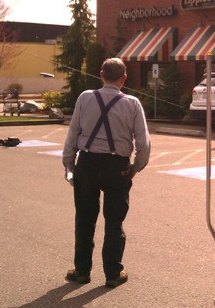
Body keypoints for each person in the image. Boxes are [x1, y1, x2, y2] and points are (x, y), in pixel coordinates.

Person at [62, 58, 151, 288]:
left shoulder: (85, 97)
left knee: (84, 219)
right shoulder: (132, 104)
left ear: (101, 74)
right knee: (114, 221)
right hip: (117, 167)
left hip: (88, 163)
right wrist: (135, 168)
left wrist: (69, 163)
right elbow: (144, 144)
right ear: (124, 78)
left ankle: (81, 271)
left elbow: (73, 133)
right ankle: (112, 273)